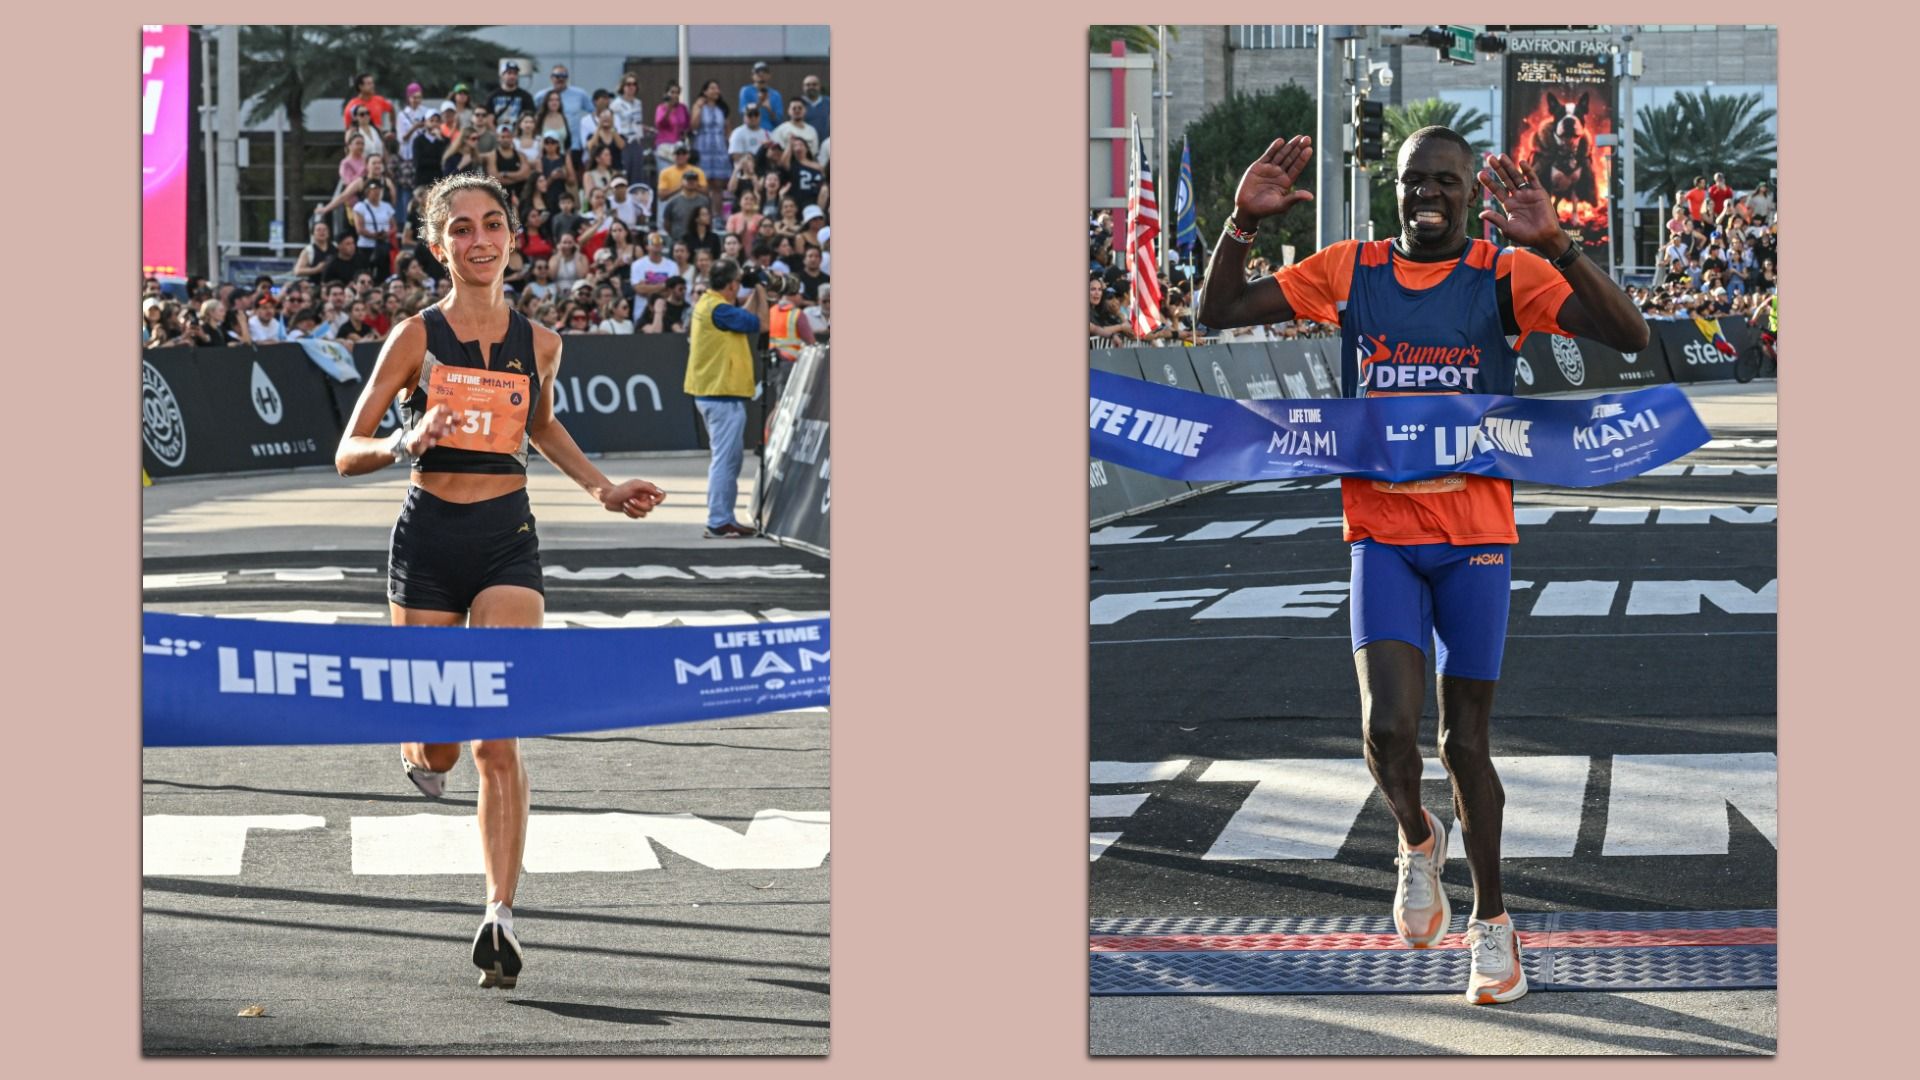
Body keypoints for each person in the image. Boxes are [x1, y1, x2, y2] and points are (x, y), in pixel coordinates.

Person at [1195, 128, 1649, 1007]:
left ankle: (1493, 925)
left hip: (1476, 533)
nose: (1429, 196)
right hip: (1382, 532)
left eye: (1446, 181)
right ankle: (1414, 838)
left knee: (1464, 740)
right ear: (1394, 188)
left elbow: (1627, 335)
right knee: (1389, 732)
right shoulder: (1349, 270)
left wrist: (1556, 244)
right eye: (1415, 182)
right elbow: (1219, 315)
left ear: (1469, 191)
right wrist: (1239, 228)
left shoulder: (1502, 273)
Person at [334, 173, 666, 990]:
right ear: (437, 244)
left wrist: (602, 488)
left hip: (506, 540)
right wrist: (408, 439)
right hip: (428, 542)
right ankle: (418, 745)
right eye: (461, 229)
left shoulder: (541, 341)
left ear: (514, 237)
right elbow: (348, 449)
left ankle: (499, 916)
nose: (478, 240)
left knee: (495, 734)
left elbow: (541, 420)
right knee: (441, 745)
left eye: (492, 225)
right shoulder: (414, 337)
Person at [685, 259, 766, 538]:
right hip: (722, 395)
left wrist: (755, 290)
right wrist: (761, 289)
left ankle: (723, 517)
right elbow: (761, 323)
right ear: (732, 285)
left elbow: (745, 318)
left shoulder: (712, 306)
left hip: (713, 393)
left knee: (727, 460)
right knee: (725, 461)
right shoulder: (719, 309)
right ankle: (719, 520)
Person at [737, 62, 783, 132]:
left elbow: (778, 121)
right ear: (752, 76)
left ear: (769, 75)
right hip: (750, 131)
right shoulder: (746, 90)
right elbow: (744, 113)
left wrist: (769, 109)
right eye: (757, 72)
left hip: (769, 132)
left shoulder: (775, 95)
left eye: (764, 71)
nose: (761, 74)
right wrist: (759, 103)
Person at [487, 61, 536, 127]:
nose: (512, 76)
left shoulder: (526, 96)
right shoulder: (493, 96)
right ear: (502, 75)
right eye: (509, 73)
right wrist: (497, 135)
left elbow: (530, 118)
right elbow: (489, 120)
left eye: (515, 73)